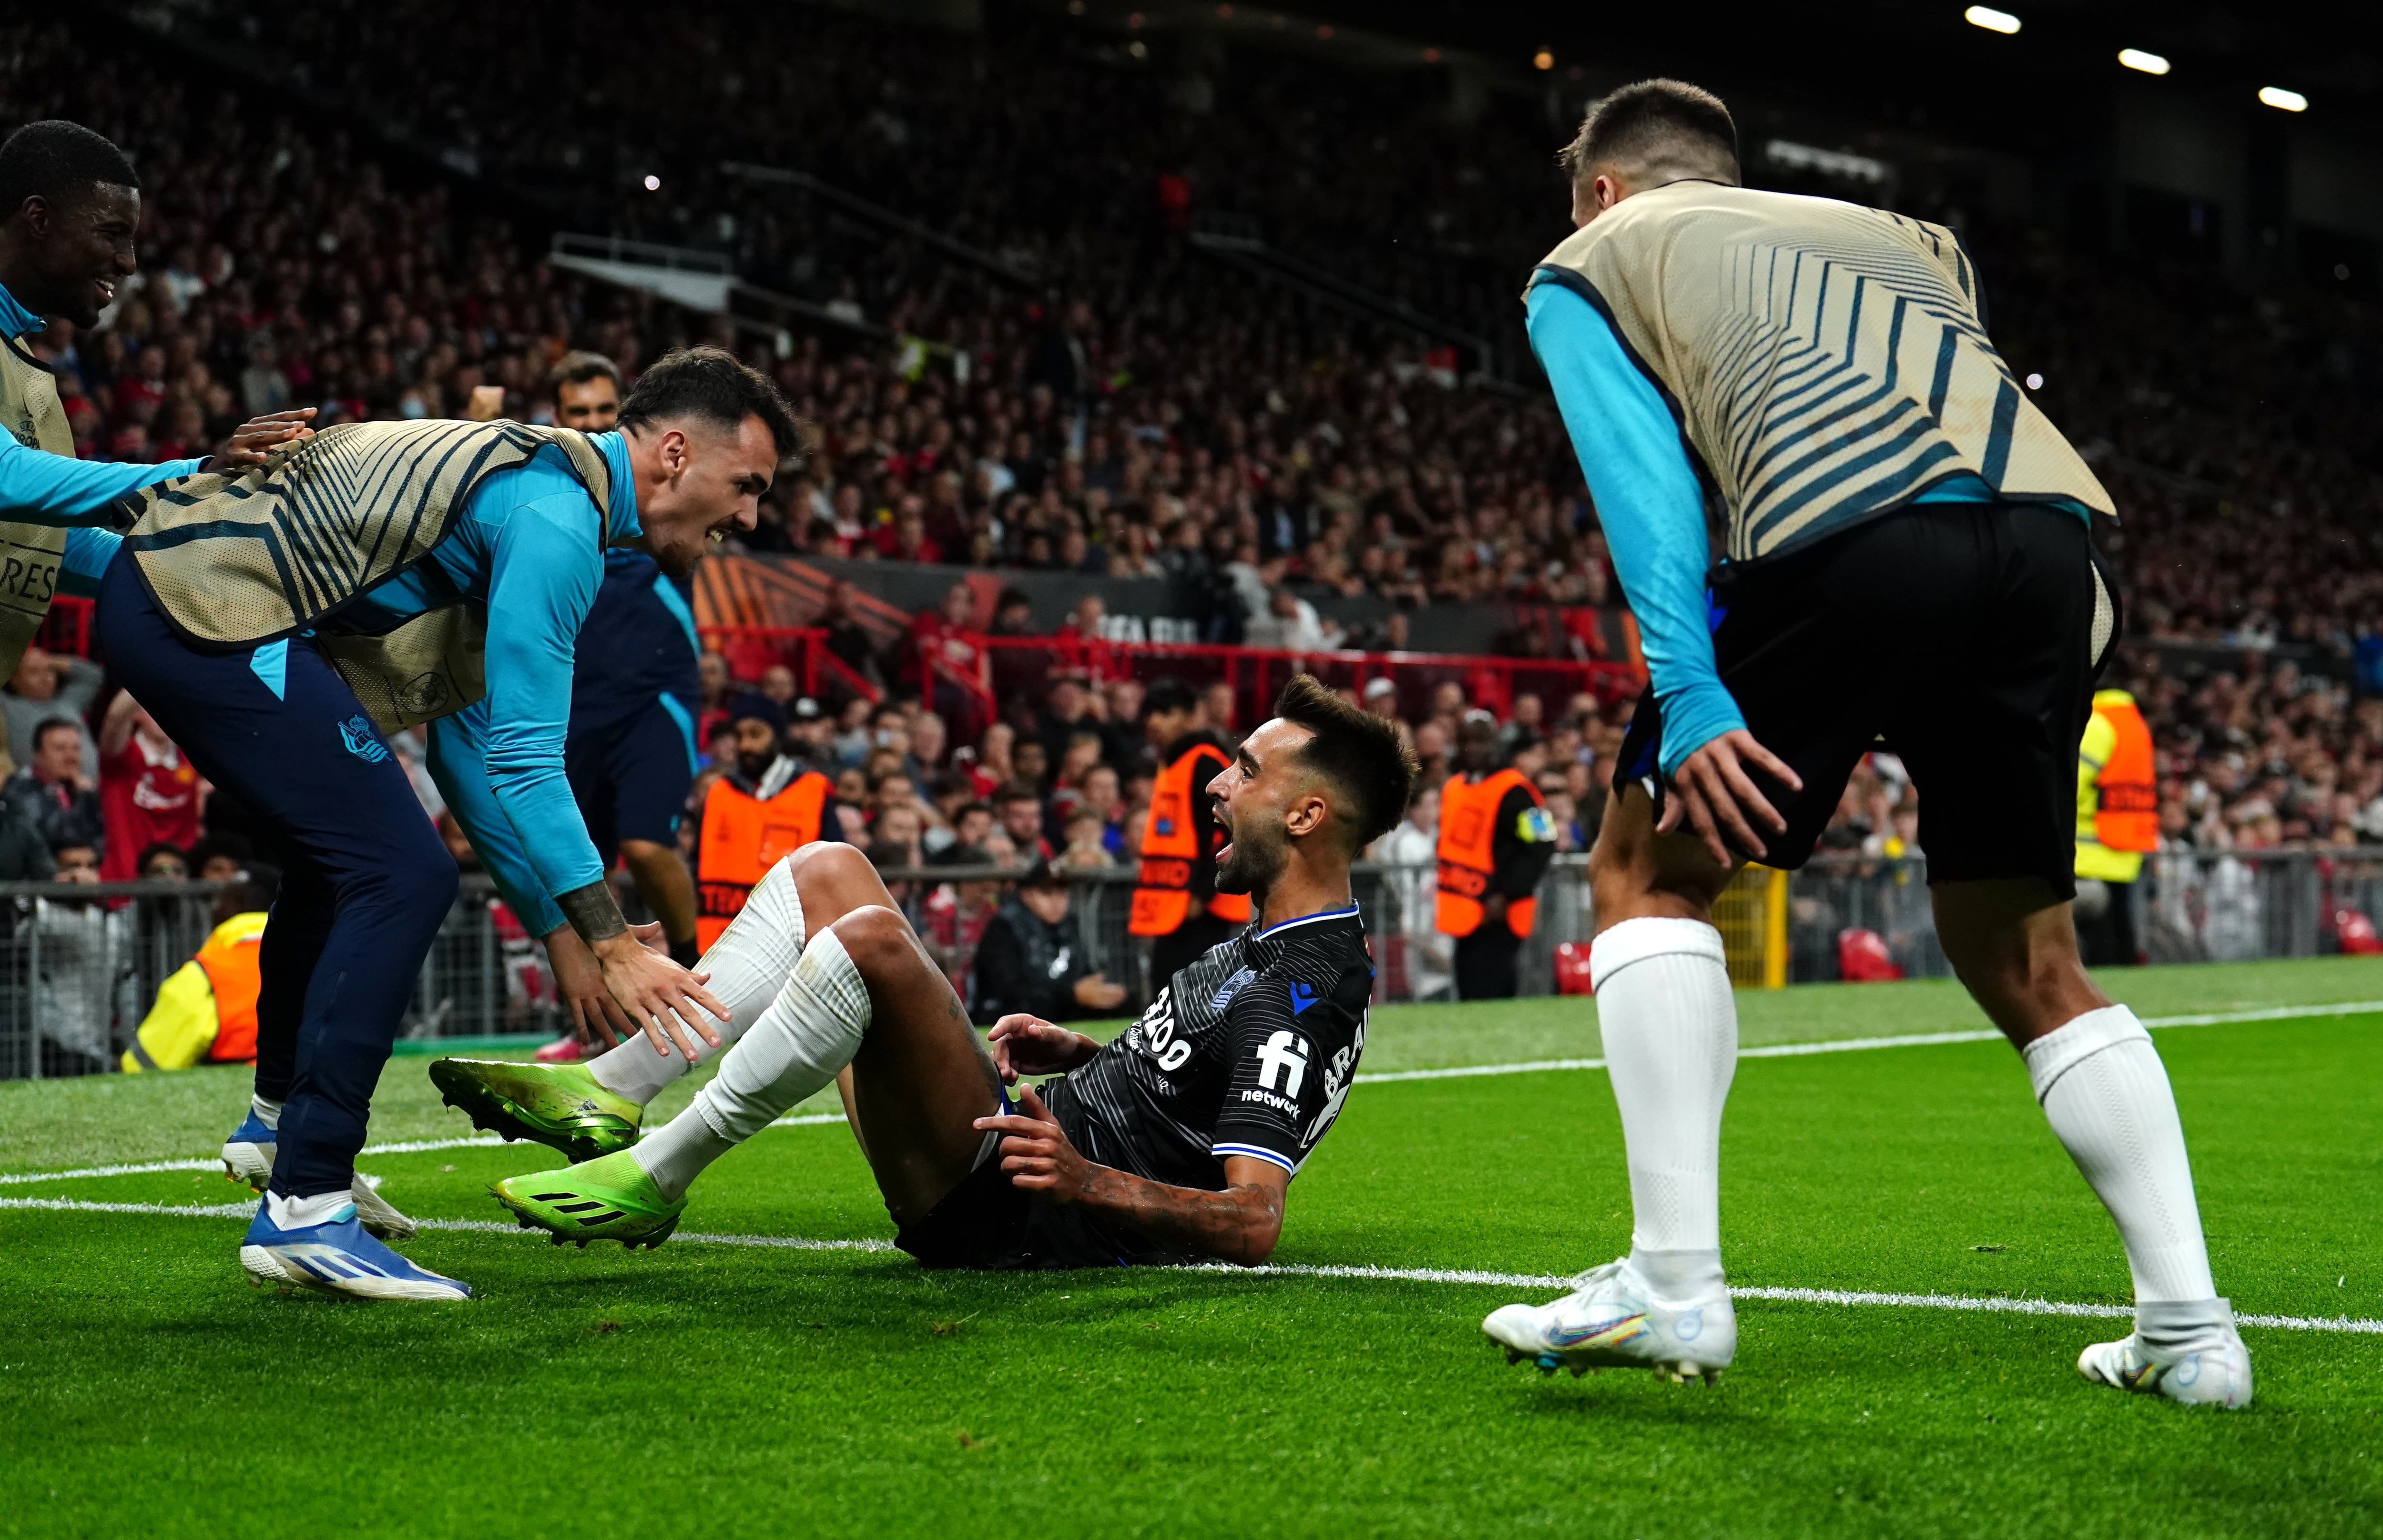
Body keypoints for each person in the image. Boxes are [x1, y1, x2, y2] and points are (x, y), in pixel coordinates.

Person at [1481, 80, 2249, 1408]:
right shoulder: (1916, 236)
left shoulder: (1587, 260)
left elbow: (1646, 476)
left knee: (1646, 872)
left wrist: (1693, 688)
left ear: (1603, 190)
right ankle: (2191, 1330)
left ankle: (1672, 1283)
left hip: (1851, 532)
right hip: (2055, 558)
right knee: (2023, 948)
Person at [105, 345, 799, 1302]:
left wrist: (566, 932)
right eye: (747, 485)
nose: (750, 516)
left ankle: (277, 1127)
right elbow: (520, 761)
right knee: (405, 873)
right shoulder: (559, 522)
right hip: (200, 606)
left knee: (338, 862)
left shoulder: (542, 491)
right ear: (676, 453)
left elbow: (468, 756)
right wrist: (610, 939)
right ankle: (307, 1205)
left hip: (192, 598)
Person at [429, 675, 1415, 1271]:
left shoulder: (1303, 986)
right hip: (1014, 1139)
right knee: (827, 869)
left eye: (1245, 770)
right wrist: (1083, 1049)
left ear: (1303, 817)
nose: (1215, 780)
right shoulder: (1271, 942)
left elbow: (1252, 1216)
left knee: (871, 939)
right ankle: (613, 1088)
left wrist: (1083, 1177)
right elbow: (1193, 1096)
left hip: (1014, 1204)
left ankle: (659, 1172)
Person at [0, 121, 306, 725]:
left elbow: (46, 542)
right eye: (112, 233)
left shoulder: (26, 369)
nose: (129, 261)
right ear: (39, 219)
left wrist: (202, 566)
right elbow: (4, 477)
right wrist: (195, 476)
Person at [531, 353, 709, 977]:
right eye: (578, 412)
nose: (593, 420)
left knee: (644, 844)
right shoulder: (543, 487)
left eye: (606, 409)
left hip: (653, 698)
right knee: (582, 867)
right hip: (574, 704)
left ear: (627, 412)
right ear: (556, 418)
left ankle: (694, 970)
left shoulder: (666, 480)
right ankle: (600, 1006)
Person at [687, 691, 842, 951]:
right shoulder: (718, 792)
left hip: (789, 947)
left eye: (756, 734)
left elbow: (836, 872)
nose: (746, 745)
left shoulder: (813, 790)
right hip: (717, 944)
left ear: (777, 736)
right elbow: (696, 863)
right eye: (739, 736)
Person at [1128, 677, 1249, 995]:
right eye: (1150, 713)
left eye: (1165, 712)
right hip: (1175, 907)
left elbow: (1229, 828)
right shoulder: (1176, 761)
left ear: (1191, 715)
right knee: (1170, 997)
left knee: (1191, 1001)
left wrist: (1201, 893)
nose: (1154, 721)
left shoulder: (1204, 761)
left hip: (1198, 908)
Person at [1436, 717, 1556, 1000]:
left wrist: (1508, 893)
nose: (1473, 748)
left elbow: (1543, 841)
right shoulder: (1453, 787)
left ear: (1495, 745)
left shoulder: (1516, 791)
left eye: (1480, 741)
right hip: (1464, 910)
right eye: (1466, 741)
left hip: (1498, 914)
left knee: (1491, 992)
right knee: (1468, 992)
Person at [121, 878, 276, 1073]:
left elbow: (144, 1067)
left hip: (245, 1097)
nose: (213, 910)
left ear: (236, 906)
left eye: (218, 902)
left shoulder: (205, 973)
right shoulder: (316, 959)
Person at [970, 859, 1126, 1023]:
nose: (1056, 901)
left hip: (1060, 1018)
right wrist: (1073, 996)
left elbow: (1083, 975)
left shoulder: (1068, 925)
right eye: (1046, 893)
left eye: (1062, 893)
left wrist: (1099, 992)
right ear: (1026, 895)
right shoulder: (1004, 928)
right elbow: (1011, 995)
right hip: (1005, 1021)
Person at [2075, 686, 2157, 967]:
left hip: (2088, 852)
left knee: (2097, 953)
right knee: (2119, 941)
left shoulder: (2096, 724)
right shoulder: (2134, 724)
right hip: (2124, 849)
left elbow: (2067, 785)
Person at [97, 689, 200, 881]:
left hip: (182, 886)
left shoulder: (192, 759)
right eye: (154, 708)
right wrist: (142, 671)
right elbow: (115, 717)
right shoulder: (122, 758)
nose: (163, 715)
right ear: (136, 714)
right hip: (126, 882)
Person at [2, 717, 102, 854]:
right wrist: (84, 798)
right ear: (39, 755)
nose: (71, 757)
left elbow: (103, 839)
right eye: (60, 749)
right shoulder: (20, 788)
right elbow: (57, 837)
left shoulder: (78, 788)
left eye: (76, 749)